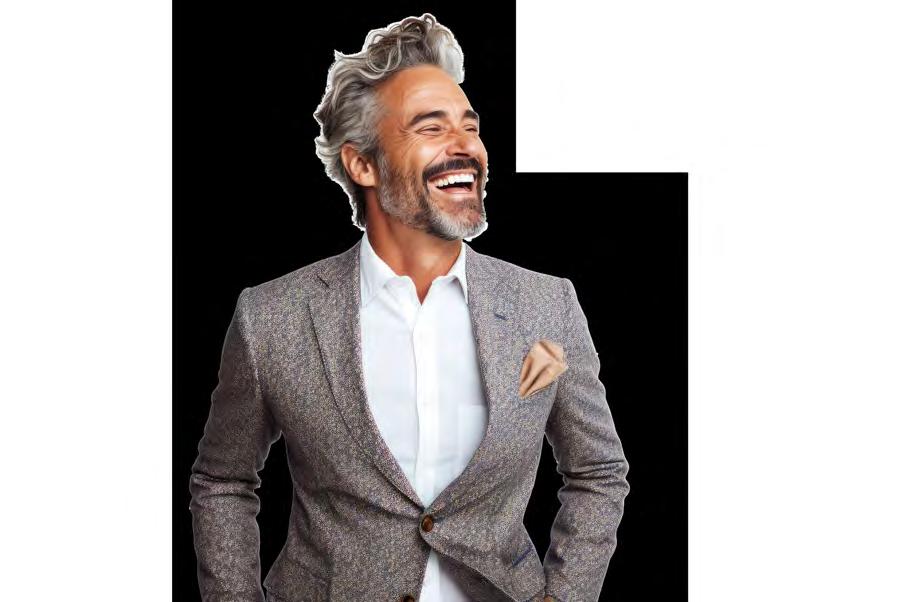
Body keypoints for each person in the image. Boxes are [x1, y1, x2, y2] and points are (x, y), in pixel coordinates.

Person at [189, 13, 629, 602]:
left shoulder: (547, 306)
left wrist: (563, 596)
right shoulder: (272, 318)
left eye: (470, 127)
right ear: (362, 164)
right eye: (431, 127)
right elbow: (222, 480)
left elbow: (598, 471)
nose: (465, 146)